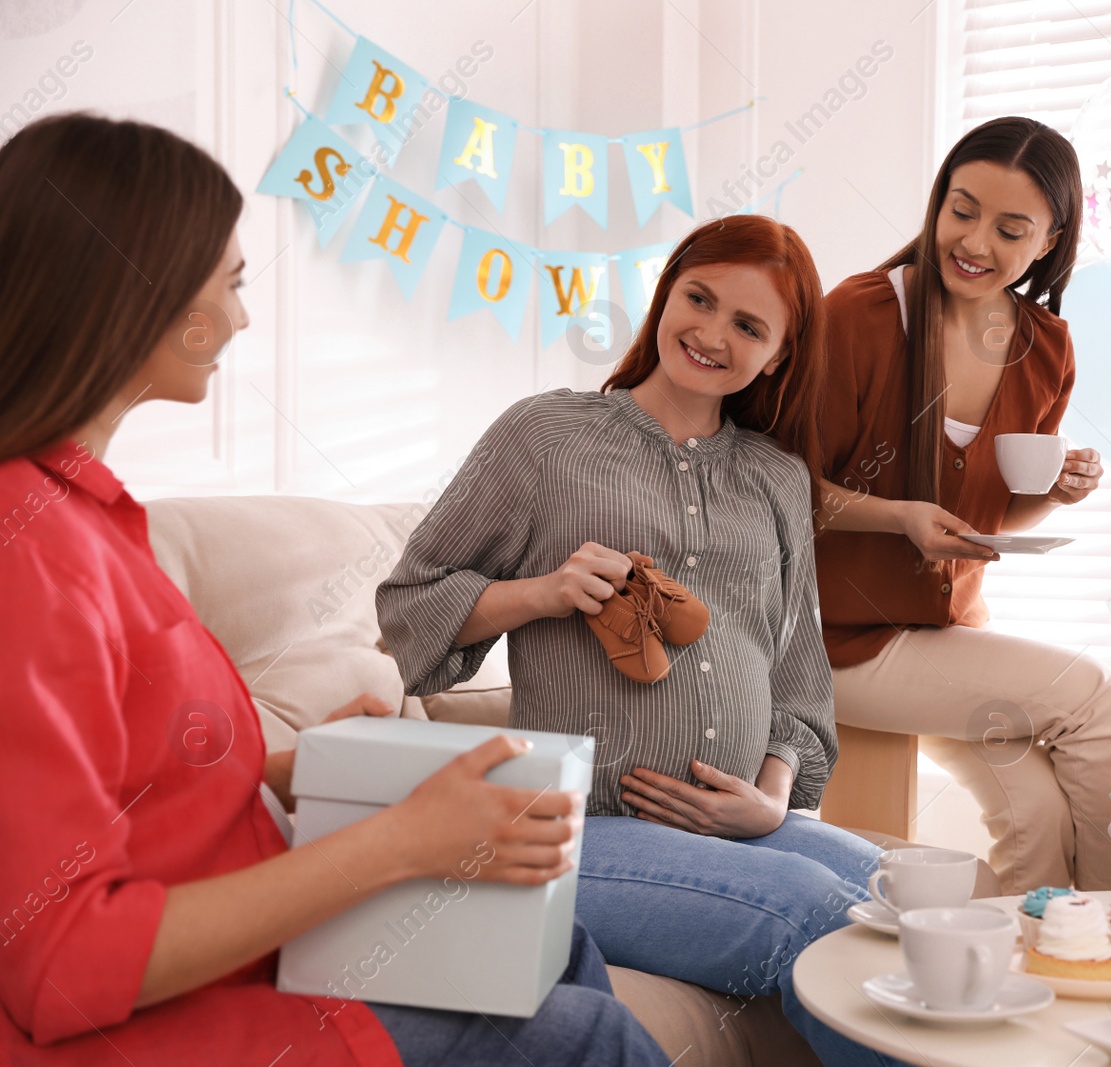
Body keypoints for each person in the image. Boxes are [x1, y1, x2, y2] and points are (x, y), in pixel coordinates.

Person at [0, 113, 668, 1067]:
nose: (240, 317)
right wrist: (402, 841)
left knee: (555, 935)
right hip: (153, 1034)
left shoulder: (89, 517)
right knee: (589, 1036)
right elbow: (59, 958)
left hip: (229, 961)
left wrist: (290, 772)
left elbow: (112, 793)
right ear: (131, 289)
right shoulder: (25, 551)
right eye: (230, 284)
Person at [376, 215, 906, 1067]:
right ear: (666, 294)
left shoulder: (775, 477)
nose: (710, 333)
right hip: (578, 824)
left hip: (744, 823)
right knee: (821, 917)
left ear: (779, 355)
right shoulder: (546, 437)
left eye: (748, 325)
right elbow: (409, 610)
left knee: (906, 895)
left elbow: (799, 681)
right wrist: (541, 592)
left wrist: (771, 797)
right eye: (698, 299)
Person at [812, 116, 1111, 893]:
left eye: (1010, 228)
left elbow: (983, 526)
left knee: (1039, 823)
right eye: (962, 210)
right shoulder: (858, 315)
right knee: (1100, 700)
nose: (975, 242)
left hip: (944, 634)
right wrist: (896, 517)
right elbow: (786, 488)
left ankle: (1023, 971)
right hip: (837, 641)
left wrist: (1050, 497)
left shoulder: (1046, 345)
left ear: (1050, 240)